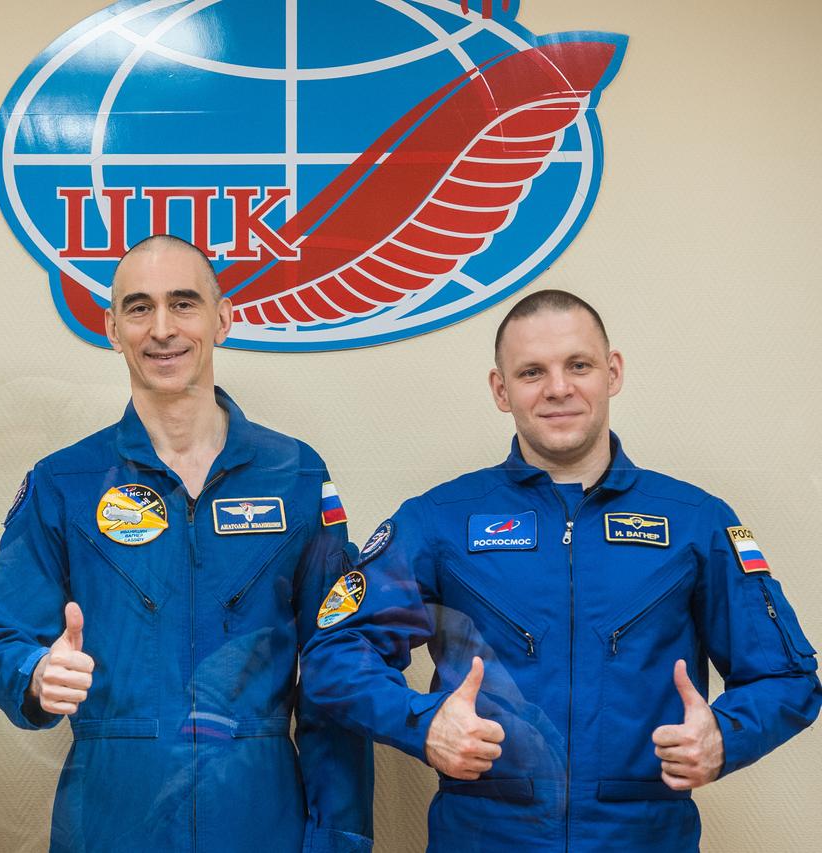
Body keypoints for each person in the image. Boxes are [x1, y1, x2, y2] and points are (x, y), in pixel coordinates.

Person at [301, 289, 821, 852]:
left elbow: (786, 678)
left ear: (612, 372)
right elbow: (334, 653)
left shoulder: (696, 520)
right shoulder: (439, 520)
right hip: (485, 836)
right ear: (501, 389)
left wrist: (725, 735)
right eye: (532, 372)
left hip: (643, 837)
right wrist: (422, 723)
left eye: (579, 365)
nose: (558, 388)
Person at [0, 235, 373, 852]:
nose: (162, 329)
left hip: (259, 817)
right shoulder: (64, 483)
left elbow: (338, 665)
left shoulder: (295, 475)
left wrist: (340, 839)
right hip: (110, 820)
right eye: (139, 308)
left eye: (183, 303)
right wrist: (35, 674)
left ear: (222, 319)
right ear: (112, 328)